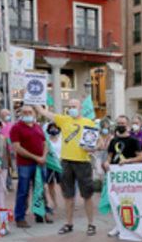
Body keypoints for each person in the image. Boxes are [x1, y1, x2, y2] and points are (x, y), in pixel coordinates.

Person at [37, 100, 97, 235]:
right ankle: (68, 224)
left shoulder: (89, 122)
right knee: (68, 195)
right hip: (67, 162)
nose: (71, 109)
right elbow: (43, 112)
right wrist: (31, 96)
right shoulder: (63, 120)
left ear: (80, 107)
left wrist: (92, 148)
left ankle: (91, 224)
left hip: (83, 162)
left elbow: (97, 143)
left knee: (87, 195)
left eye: (74, 107)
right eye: (69, 107)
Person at [104, 118, 142, 237]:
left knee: (131, 200)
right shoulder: (113, 141)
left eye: (122, 124)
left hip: (129, 175)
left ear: (127, 125)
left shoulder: (133, 140)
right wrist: (107, 163)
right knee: (117, 201)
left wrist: (128, 161)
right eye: (118, 124)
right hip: (115, 175)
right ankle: (118, 225)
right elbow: (110, 156)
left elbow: (140, 157)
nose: (120, 126)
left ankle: (133, 224)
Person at [9, 105, 48, 228]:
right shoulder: (16, 128)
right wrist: (36, 157)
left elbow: (45, 143)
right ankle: (20, 217)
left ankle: (40, 214)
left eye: (30, 112)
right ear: (20, 114)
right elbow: (17, 148)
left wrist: (44, 157)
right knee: (23, 191)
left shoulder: (37, 126)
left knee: (40, 190)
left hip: (40, 164)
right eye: (24, 112)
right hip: (25, 165)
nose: (27, 114)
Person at [44, 122, 62, 217]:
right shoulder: (47, 140)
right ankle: (54, 202)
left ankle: (67, 200)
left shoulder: (61, 139)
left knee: (62, 183)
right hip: (50, 164)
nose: (53, 130)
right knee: (50, 184)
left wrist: (61, 160)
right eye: (51, 129)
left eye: (55, 128)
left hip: (59, 164)